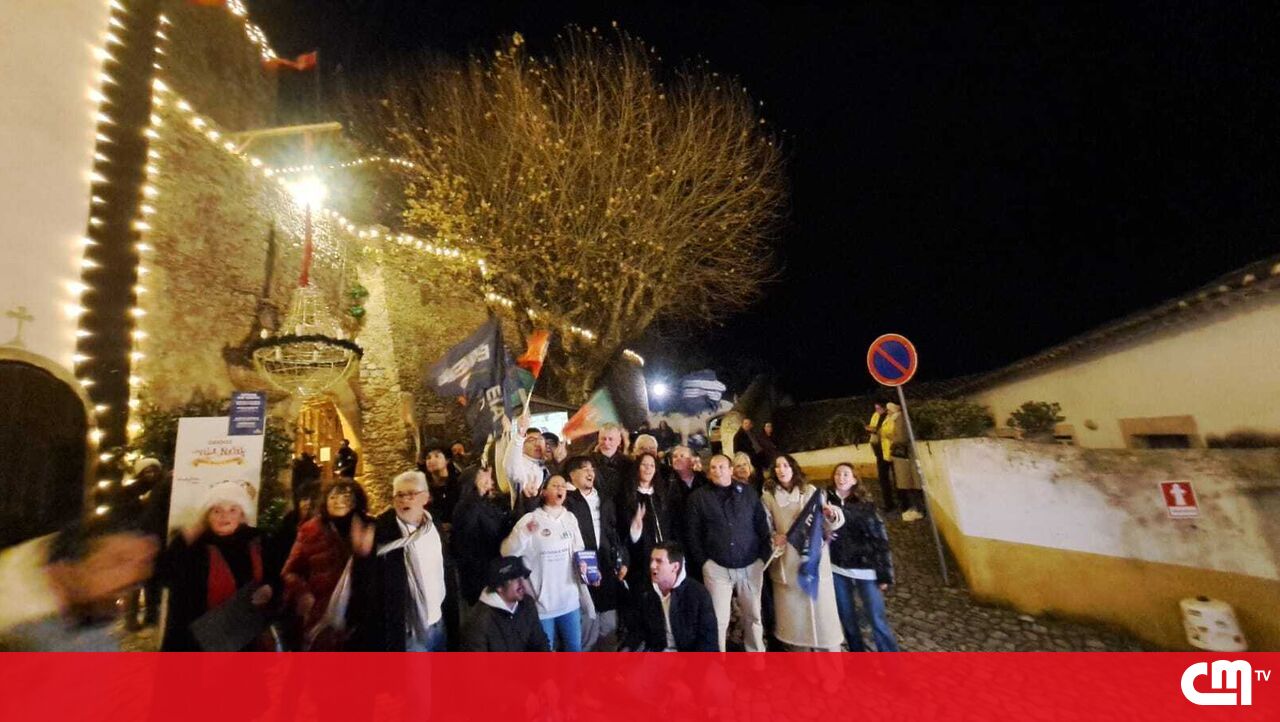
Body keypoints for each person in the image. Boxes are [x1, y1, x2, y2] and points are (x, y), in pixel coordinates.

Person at [0, 518, 158, 651]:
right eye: (119, 560)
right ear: (65, 568)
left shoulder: (90, 616)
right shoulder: (20, 624)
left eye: (145, 562)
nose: (136, 575)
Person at [158, 481, 278, 651]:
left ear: (242, 514)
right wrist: (183, 540)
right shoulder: (194, 546)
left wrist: (269, 588)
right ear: (207, 515)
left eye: (232, 510)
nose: (224, 516)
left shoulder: (258, 541)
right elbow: (164, 577)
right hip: (200, 645)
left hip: (247, 639)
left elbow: (275, 576)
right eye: (217, 510)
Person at [352, 470, 448, 652]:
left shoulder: (433, 525)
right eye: (399, 495)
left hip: (438, 621)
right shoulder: (383, 533)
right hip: (409, 631)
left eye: (411, 494)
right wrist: (363, 555)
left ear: (425, 497)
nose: (404, 500)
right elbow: (366, 580)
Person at [685, 454, 771, 652]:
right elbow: (692, 534)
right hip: (717, 568)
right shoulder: (698, 498)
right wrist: (704, 563)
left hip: (750, 565)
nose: (717, 471)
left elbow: (761, 526)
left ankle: (756, 657)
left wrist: (762, 558)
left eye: (722, 467)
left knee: (754, 616)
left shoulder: (748, 493)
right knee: (718, 620)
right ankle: (718, 662)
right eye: (713, 468)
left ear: (731, 470)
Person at [762, 454, 846, 651]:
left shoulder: (810, 492)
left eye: (785, 465)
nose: (781, 470)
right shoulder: (768, 497)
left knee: (824, 623)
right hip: (788, 566)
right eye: (777, 466)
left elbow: (828, 524)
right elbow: (765, 527)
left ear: (793, 468)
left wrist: (831, 515)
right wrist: (774, 537)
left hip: (813, 562)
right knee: (796, 629)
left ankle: (831, 666)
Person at [281, 480, 374, 650]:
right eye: (333, 497)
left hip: (362, 616)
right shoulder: (310, 531)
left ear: (357, 500)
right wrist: (303, 593)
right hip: (322, 616)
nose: (340, 501)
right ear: (325, 501)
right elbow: (290, 571)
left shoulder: (370, 528)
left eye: (346, 496)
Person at [501, 475, 587, 651]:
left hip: (570, 600)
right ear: (544, 492)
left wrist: (586, 567)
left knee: (574, 649)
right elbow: (507, 552)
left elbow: (579, 549)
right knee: (545, 654)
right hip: (542, 603)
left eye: (563, 486)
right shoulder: (530, 519)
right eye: (555, 485)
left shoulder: (570, 518)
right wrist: (524, 533)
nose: (560, 489)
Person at [828, 463, 899, 651]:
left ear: (854, 480)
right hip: (837, 569)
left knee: (877, 619)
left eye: (846, 474)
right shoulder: (825, 502)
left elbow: (880, 540)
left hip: (865, 570)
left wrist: (885, 575)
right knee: (847, 618)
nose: (841, 478)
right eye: (838, 474)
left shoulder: (866, 505)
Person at [563, 456, 629, 650]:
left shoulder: (604, 499)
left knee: (609, 623)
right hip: (581, 566)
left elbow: (614, 532)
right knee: (588, 621)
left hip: (607, 564)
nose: (590, 472)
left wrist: (623, 559)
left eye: (592, 468)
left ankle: (607, 661)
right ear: (572, 475)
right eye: (584, 469)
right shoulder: (567, 501)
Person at [626, 542, 718, 652]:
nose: (652, 566)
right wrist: (626, 650)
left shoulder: (698, 593)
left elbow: (708, 641)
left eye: (659, 561)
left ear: (675, 567)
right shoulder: (645, 592)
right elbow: (636, 632)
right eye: (651, 560)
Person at [452, 466, 511, 613]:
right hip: (479, 576)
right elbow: (467, 543)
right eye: (485, 477)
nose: (491, 480)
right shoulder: (467, 507)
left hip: (488, 569)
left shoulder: (484, 503)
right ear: (475, 481)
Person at [121, 456, 171, 630]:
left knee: (153, 579)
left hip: (156, 538)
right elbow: (124, 512)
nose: (151, 474)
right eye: (146, 471)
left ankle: (151, 615)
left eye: (153, 470)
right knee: (135, 581)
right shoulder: (131, 490)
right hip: (136, 538)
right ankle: (131, 618)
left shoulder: (163, 487)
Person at [461, 556, 550, 651]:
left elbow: (540, 642)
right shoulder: (478, 621)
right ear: (499, 587)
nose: (522, 584)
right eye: (514, 579)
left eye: (522, 577)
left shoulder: (527, 603)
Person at [500, 413, 548, 510]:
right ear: (522, 446)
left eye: (540, 440)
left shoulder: (546, 465)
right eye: (531, 440)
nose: (537, 443)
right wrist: (520, 434)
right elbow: (512, 467)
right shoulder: (521, 463)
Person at [885, 402, 925, 521]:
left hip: (904, 456)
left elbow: (901, 437)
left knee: (910, 484)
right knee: (907, 484)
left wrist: (890, 437)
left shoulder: (899, 419)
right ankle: (915, 509)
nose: (887, 411)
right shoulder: (897, 418)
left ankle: (918, 510)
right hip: (903, 456)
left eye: (889, 409)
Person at [666, 445, 707, 548]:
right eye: (675, 456)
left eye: (682, 456)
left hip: (703, 533)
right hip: (679, 536)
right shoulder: (667, 482)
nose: (677, 459)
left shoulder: (703, 480)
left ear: (692, 460)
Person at [420, 444, 461, 526]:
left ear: (447, 460)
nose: (432, 460)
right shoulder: (423, 486)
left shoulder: (459, 482)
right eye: (428, 458)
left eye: (437, 456)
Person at [866, 401, 896, 512]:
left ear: (885, 408)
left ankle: (902, 503)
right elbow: (873, 427)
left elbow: (891, 433)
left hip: (889, 451)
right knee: (883, 479)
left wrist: (877, 431)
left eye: (879, 408)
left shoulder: (890, 417)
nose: (877, 410)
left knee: (897, 479)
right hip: (879, 451)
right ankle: (888, 504)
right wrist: (870, 429)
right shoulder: (875, 415)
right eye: (876, 408)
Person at [590, 422, 631, 501]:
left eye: (610, 439)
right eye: (603, 438)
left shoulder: (629, 464)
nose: (606, 443)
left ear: (619, 441)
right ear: (598, 439)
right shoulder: (589, 462)